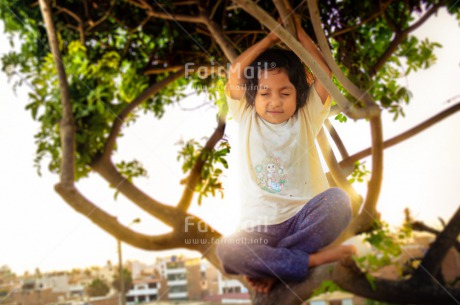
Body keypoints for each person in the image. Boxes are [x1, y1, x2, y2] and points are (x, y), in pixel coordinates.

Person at [216, 16, 357, 294]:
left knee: (339, 201)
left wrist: (298, 32)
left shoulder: (306, 117)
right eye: (265, 93)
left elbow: (324, 73)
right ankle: (306, 261)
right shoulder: (246, 117)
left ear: (298, 94)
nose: (275, 101)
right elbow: (235, 73)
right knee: (227, 249)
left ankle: (275, 267)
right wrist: (271, 37)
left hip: (301, 222)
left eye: (285, 92)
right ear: (253, 97)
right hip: (258, 230)